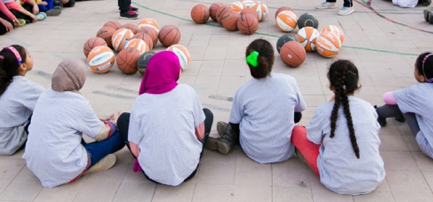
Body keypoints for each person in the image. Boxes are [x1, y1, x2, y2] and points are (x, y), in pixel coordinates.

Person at [117, 51, 213, 186]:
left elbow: (135, 151)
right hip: (189, 170)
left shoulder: (140, 102)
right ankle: (187, 149)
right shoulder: (187, 91)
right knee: (206, 114)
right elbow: (200, 134)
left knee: (123, 119)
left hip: (153, 174)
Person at [24, 59, 124, 187]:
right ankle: (84, 167)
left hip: (35, 164)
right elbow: (103, 134)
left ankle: (80, 165)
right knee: (119, 137)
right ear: (79, 80)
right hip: (61, 166)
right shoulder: (78, 102)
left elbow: (68, 118)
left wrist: (99, 120)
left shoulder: (45, 95)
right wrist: (115, 122)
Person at [291, 60, 385, 196]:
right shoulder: (369, 108)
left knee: (298, 131)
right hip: (373, 179)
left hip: (335, 180)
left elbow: (312, 138)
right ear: (357, 85)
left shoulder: (324, 110)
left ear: (331, 86)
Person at [206, 39, 306, 161]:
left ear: (249, 64)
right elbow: (299, 111)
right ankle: (230, 136)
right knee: (296, 113)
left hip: (253, 150)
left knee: (240, 119)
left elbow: (235, 123)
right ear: (272, 60)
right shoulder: (289, 82)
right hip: (283, 152)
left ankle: (230, 137)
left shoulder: (243, 91)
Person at [0, 45, 44, 155]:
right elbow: (50, 102)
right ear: (23, 66)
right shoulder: (25, 87)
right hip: (7, 142)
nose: (31, 57)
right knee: (46, 113)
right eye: (29, 55)